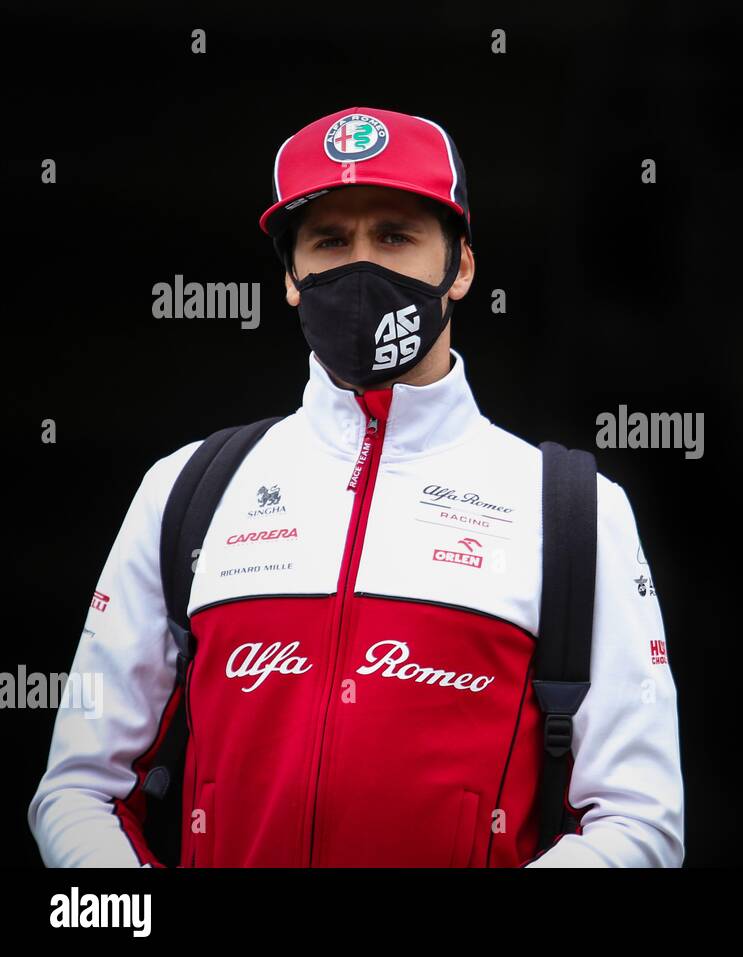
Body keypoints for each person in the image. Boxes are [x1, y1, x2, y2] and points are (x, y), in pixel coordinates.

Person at [28, 106, 686, 867]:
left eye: (395, 234)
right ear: (291, 278)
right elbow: (79, 788)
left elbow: (640, 821)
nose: (361, 264)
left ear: (462, 265)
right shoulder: (185, 488)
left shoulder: (573, 508)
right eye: (330, 240)